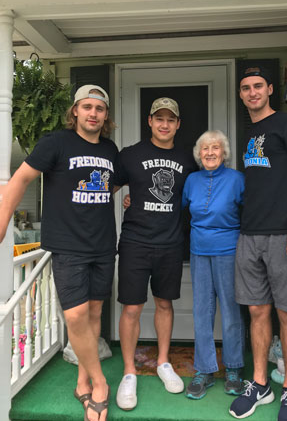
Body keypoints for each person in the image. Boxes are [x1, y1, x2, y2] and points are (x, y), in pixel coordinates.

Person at [0, 85, 119, 421]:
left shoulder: (110, 150)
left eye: (99, 108)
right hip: (68, 245)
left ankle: (82, 381)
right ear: (75, 112)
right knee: (76, 316)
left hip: (103, 244)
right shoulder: (56, 142)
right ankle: (100, 384)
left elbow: (114, 182)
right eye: (87, 107)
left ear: (106, 115)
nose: (93, 113)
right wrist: (3, 221)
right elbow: (21, 179)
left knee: (95, 313)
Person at [229, 66, 287, 421]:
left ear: (269, 89)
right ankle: (259, 383)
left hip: (284, 234)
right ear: (240, 95)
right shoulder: (250, 133)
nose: (252, 92)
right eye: (245, 88)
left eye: (257, 87)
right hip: (249, 234)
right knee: (257, 311)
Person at [114, 97, 197, 411]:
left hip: (170, 242)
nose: (164, 124)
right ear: (149, 121)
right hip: (135, 241)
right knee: (132, 308)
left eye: (171, 119)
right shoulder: (130, 155)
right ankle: (129, 372)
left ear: (178, 124)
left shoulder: (188, 159)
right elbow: (107, 189)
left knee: (165, 303)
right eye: (159, 118)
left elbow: (207, 185)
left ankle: (163, 362)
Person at [182, 129, 245, 400]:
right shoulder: (191, 180)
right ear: (199, 153)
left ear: (224, 153)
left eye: (216, 148)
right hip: (199, 251)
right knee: (201, 311)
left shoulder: (237, 179)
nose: (210, 153)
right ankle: (205, 370)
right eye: (205, 148)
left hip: (229, 251)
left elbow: (253, 208)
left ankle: (233, 369)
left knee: (231, 312)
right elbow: (177, 207)